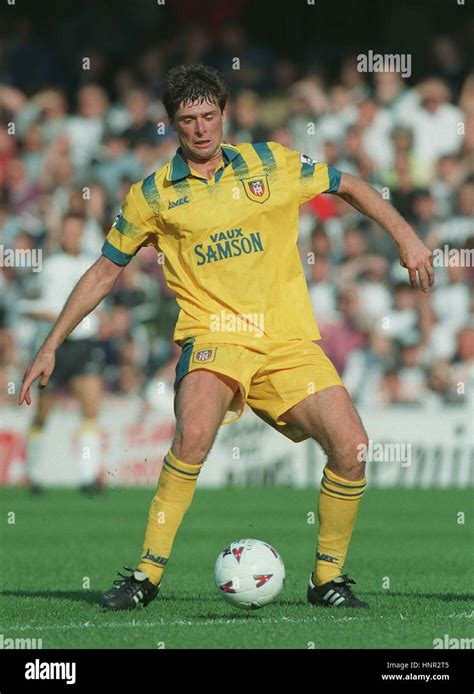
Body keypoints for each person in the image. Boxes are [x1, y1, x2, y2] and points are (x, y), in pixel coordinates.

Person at [19, 64, 434, 610]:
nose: (200, 129)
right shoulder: (153, 194)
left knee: (352, 449)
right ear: (171, 125)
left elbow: (350, 184)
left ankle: (326, 580)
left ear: (225, 114)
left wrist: (408, 239)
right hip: (213, 337)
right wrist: (50, 343)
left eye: (209, 116)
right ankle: (145, 577)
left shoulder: (273, 163)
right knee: (192, 436)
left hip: (286, 342)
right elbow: (104, 270)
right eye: (187, 120)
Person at [20, 212, 105, 494]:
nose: (72, 236)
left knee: (90, 407)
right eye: (68, 231)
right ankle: (32, 474)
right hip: (55, 345)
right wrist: (57, 317)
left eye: (76, 231)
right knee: (44, 412)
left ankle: (88, 476)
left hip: (83, 343)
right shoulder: (50, 266)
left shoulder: (91, 263)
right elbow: (30, 305)